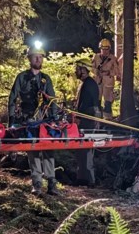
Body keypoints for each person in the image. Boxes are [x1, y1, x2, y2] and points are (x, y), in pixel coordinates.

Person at [9, 46, 61, 196]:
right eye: (35, 56)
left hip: (45, 119)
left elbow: (52, 100)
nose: (38, 59)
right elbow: (12, 98)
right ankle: (37, 183)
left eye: (41, 57)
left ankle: (51, 182)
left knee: (48, 149)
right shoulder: (22, 77)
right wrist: (11, 120)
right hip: (28, 119)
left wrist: (55, 119)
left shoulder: (46, 79)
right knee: (33, 149)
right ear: (29, 59)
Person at [73, 61, 101, 187]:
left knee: (87, 148)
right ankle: (81, 177)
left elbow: (94, 104)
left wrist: (95, 120)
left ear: (84, 69)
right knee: (81, 148)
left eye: (78, 69)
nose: (76, 71)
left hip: (89, 120)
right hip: (84, 119)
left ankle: (90, 179)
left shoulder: (90, 84)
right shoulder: (84, 84)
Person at [92, 38, 121, 119]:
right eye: (103, 49)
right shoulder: (96, 57)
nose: (105, 51)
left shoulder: (113, 58)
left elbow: (116, 71)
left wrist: (108, 72)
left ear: (109, 49)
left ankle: (107, 118)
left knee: (108, 102)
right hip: (98, 82)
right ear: (100, 49)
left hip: (108, 82)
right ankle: (97, 118)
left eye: (106, 49)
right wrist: (97, 72)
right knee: (97, 101)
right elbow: (91, 67)